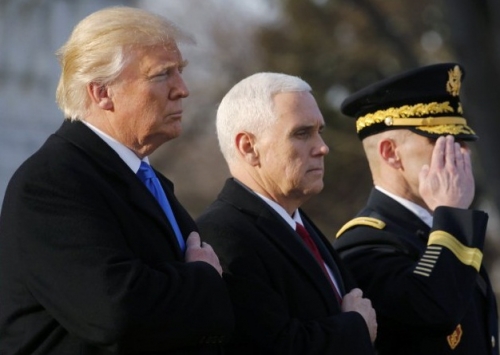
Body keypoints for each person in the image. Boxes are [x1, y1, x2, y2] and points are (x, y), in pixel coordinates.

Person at [0, 6, 234, 355]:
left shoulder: (146, 180)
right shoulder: (50, 183)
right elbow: (114, 311)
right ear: (101, 93)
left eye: (180, 71)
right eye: (162, 75)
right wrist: (201, 277)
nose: (182, 89)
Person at [196, 72, 377, 354]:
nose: (322, 147)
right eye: (302, 133)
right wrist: (354, 327)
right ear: (249, 147)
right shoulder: (222, 234)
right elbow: (270, 346)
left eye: (320, 131)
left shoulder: (297, 223)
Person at [334, 63, 499, 355]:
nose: (462, 153)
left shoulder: (439, 228)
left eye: (461, 141)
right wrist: (452, 214)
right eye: (441, 141)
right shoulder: (364, 244)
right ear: (390, 153)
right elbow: (436, 312)